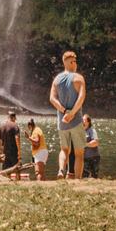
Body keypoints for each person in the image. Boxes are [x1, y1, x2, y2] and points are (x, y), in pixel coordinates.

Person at [50, 49, 87, 180]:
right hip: (76, 120)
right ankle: (77, 179)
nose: (76, 64)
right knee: (79, 153)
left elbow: (52, 99)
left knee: (64, 150)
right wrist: (72, 113)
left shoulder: (57, 80)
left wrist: (64, 111)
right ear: (71, 62)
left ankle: (61, 170)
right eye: (75, 61)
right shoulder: (78, 78)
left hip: (62, 121)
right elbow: (81, 97)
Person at [0, 109, 22, 177]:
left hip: (5, 151)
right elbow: (17, 138)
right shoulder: (15, 126)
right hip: (14, 151)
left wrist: (0, 151)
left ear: (8, 117)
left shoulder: (2, 126)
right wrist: (19, 150)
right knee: (17, 168)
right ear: (14, 118)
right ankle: (18, 180)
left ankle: (7, 181)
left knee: (6, 169)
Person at [25, 117, 49, 181]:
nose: (29, 129)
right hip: (42, 152)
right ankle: (45, 186)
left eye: (28, 127)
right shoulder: (37, 129)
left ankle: (40, 185)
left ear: (30, 126)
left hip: (40, 152)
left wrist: (28, 138)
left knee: (38, 172)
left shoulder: (35, 131)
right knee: (41, 172)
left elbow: (37, 142)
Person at [82, 113, 101, 179]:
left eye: (84, 120)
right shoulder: (80, 132)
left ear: (88, 122)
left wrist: (85, 144)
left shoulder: (92, 131)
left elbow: (96, 142)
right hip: (85, 158)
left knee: (94, 176)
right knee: (84, 176)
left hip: (94, 157)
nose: (82, 122)